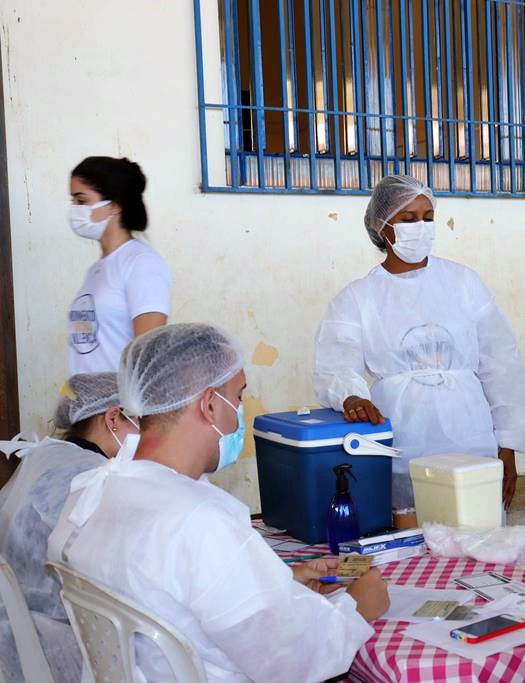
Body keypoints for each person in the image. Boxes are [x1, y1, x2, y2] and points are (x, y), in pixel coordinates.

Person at [48, 324, 389, 682]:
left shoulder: (92, 489)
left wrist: (278, 583)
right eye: (238, 397)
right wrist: (357, 608)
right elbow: (293, 664)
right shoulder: (199, 519)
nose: (239, 412)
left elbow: (168, 593)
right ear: (210, 405)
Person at [314, 174, 525, 511]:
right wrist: (351, 395)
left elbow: (501, 363)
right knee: (412, 530)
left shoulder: (463, 282)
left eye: (428, 218)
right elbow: (336, 364)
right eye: (409, 219)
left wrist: (507, 444)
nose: (421, 226)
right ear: (381, 225)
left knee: (478, 535)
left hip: (471, 436)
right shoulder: (359, 298)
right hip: (405, 442)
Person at [0, 372, 138, 683]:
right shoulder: (90, 477)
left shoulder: (47, 455)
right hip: (61, 635)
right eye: (141, 422)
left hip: (18, 626)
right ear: (113, 418)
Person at [67, 156, 170, 375]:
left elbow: (147, 354)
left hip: (119, 406)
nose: (75, 209)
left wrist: (126, 409)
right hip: (88, 405)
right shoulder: (96, 270)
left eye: (82, 201)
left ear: (114, 205)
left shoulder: (140, 263)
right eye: (73, 202)